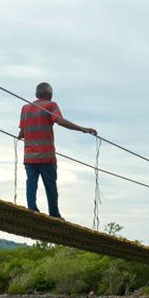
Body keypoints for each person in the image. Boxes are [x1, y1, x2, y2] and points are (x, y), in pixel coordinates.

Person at [18, 82, 97, 219]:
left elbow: (22, 133)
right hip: (46, 155)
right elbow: (60, 121)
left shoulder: (25, 108)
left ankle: (32, 209)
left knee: (31, 183)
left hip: (29, 156)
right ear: (50, 95)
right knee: (50, 186)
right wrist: (83, 129)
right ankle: (54, 214)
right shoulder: (51, 105)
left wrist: (21, 136)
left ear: (36, 95)